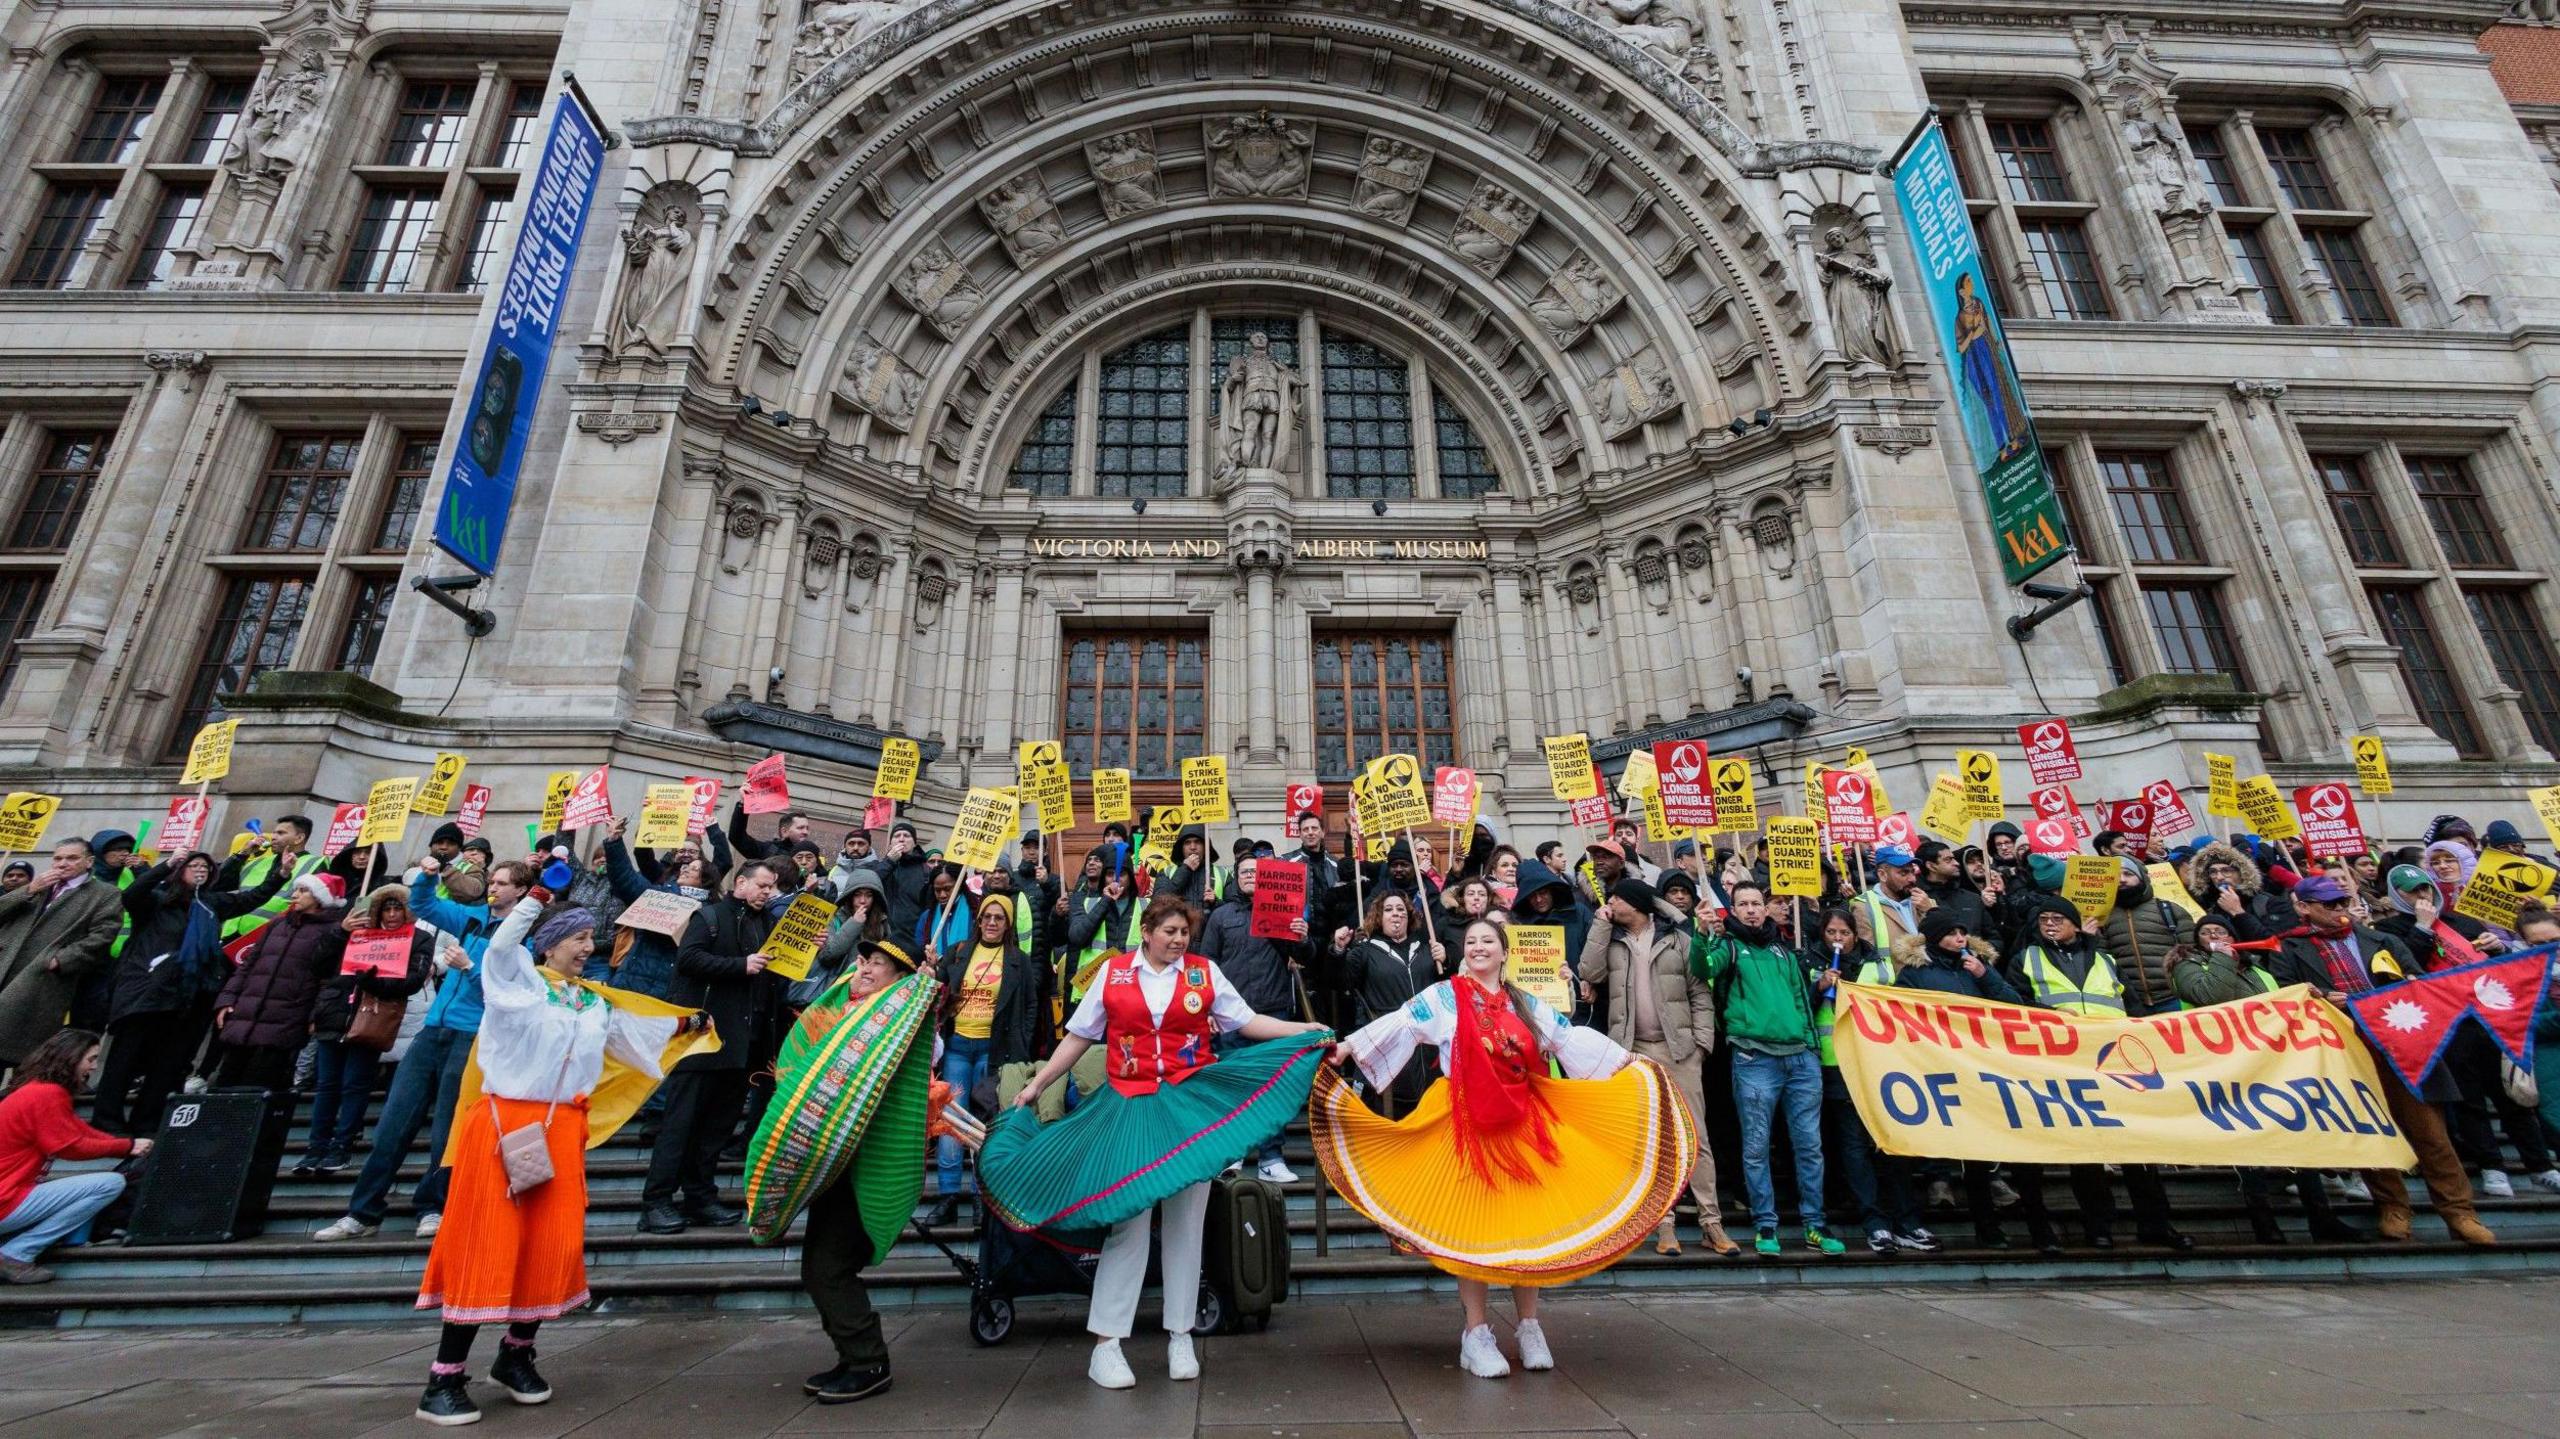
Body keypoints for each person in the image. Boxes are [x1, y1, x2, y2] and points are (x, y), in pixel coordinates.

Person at [1311, 915, 1691, 1380]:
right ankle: (1477, 1333)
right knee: (1478, 1231)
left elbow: (1565, 1039)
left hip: (1525, 1125)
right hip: (1467, 1124)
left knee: (1526, 1227)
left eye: (1488, 940)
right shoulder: (1445, 996)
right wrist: (1348, 1048)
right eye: (1470, 941)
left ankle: (1529, 1327)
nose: (1478, 947)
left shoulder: (1524, 1002)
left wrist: (1625, 1062)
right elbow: (1402, 1023)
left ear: (1504, 951)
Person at [985, 894, 1330, 1391]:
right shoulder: (1114, 973)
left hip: (1189, 1108)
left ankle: (1180, 1334)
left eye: (1184, 932)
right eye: (1169, 931)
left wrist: (1303, 1029)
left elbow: (1247, 1022)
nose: (1178, 940)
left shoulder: (1204, 973)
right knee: (1129, 1221)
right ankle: (1107, 1344)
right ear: (1146, 931)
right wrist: (1038, 1085)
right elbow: (1080, 1035)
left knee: (1188, 1223)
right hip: (1129, 1106)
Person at [412, 897, 704, 1425]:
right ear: (550, 944)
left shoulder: (591, 1002)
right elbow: (501, 951)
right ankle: (445, 1376)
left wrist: (686, 1026)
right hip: (505, 1129)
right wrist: (532, 903)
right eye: (579, 939)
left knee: (553, 1242)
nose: (589, 949)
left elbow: (633, 1035)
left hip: (563, 1130)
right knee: (488, 1241)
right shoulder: (521, 989)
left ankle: (516, 1352)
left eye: (591, 939)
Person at [2271, 874, 2494, 1246]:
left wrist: (2401, 987)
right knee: (2372, 1134)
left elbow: (2418, 981)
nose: (2340, 910)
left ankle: (2460, 1213)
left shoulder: (2383, 940)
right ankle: (2393, 1207)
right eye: (2330, 905)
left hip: (2402, 1047)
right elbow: (2285, 994)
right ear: (2303, 908)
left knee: (2432, 1136)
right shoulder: (2288, 949)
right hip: (2347, 1051)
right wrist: (2320, 997)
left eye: (2342, 902)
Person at [315, 859, 529, 1243]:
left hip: (473, 1035)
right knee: (392, 1124)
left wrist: (469, 967)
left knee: (448, 1131)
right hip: (432, 1030)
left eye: (502, 883)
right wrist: (430, 876)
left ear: (521, 891)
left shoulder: (523, 936)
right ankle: (362, 1212)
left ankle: (432, 1207)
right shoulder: (471, 916)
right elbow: (426, 906)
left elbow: (512, 995)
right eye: (492, 881)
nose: (493, 887)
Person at [770, 938, 939, 1405]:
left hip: (865, 1167)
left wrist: (920, 991)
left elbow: (918, 1037)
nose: (864, 969)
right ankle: (854, 1356)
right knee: (818, 1267)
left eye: (878, 965)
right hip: (831, 1164)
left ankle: (868, 1360)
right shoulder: (840, 1014)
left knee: (827, 1268)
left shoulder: (901, 1022)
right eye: (864, 960)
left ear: (899, 981)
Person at [2001, 895, 2189, 1252]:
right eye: (2044, 920)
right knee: (2086, 1154)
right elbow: (2015, 1006)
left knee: (2138, 1151)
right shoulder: (2026, 959)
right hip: (2063, 1067)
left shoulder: (2105, 959)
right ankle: (2098, 1226)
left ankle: (2156, 1224)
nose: (2051, 924)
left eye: (2058, 918)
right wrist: (2050, 1016)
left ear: (2076, 924)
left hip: (2118, 1066)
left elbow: (2130, 1005)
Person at [2165, 912, 2362, 1244]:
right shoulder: (2187, 965)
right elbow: (2211, 995)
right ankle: (2263, 1220)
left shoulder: (2258, 971)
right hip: (2223, 1063)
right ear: (2196, 940)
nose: (2214, 935)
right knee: (2247, 1141)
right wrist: (2221, 960)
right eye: (2207, 932)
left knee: (2298, 1136)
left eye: (2221, 931)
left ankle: (2321, 1216)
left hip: (2270, 1062)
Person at [1579, 876, 1737, 1256]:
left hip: (1679, 1049)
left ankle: (1711, 1222)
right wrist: (1601, 922)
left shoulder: (1678, 939)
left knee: (1695, 1136)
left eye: (1616, 898)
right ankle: (1664, 1224)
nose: (1610, 902)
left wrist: (1701, 1043)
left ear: (1634, 903)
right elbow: (1590, 972)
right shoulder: (1612, 940)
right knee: (1653, 1139)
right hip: (1633, 1051)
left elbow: (1700, 992)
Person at [1690, 881, 1844, 1257]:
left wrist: (1809, 1045)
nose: (1751, 910)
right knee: (1756, 1146)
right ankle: (1766, 1224)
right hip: (1754, 1057)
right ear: (1734, 910)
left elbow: (1799, 999)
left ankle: (1814, 1224)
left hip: (1799, 1058)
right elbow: (1702, 966)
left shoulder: (1785, 952)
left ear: (1766, 908)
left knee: (1809, 1146)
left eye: (1756, 903)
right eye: (1742, 904)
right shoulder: (1727, 947)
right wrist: (1701, 931)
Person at [92, 848, 286, 1134]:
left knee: (168, 1065)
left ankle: (147, 1122)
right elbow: (133, 893)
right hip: (146, 994)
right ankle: (107, 1121)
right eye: (193, 865)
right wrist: (164, 865)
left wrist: (279, 875)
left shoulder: (210, 904)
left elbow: (251, 898)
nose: (201, 870)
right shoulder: (157, 901)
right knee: (125, 1060)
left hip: (188, 998)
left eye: (206, 868)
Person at [642, 861, 783, 1235]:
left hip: (742, 1045)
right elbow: (688, 960)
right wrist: (740, 965)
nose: (768, 893)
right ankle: (656, 1201)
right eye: (763, 886)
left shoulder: (767, 924)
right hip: (704, 1041)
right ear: (741, 883)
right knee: (680, 1124)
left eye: (771, 888)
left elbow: (774, 974)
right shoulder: (709, 916)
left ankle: (699, 1197)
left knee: (715, 1130)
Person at [1891, 906, 2023, 1247]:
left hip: (1977, 1067)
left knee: (1979, 1150)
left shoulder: (1977, 967)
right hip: (1937, 1068)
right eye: (1952, 933)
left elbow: (2012, 1002)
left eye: (1963, 932)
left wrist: (1985, 975)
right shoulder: (1916, 973)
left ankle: (1988, 1227)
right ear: (1936, 938)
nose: (1960, 938)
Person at [1810, 907, 1933, 1254]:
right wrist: (1819, 988)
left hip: (1878, 1065)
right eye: (1831, 933)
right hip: (1837, 1065)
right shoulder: (1812, 962)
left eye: (1844, 933)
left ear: (1855, 934)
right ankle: (1875, 1222)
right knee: (1853, 1148)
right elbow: (1802, 1008)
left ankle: (1907, 1220)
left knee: (1890, 1144)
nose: (1838, 939)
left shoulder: (1876, 964)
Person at [927, 893, 1049, 1225]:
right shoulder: (959, 952)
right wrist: (931, 969)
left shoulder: (1019, 960)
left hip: (996, 1051)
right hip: (957, 1048)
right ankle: (948, 1196)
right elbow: (937, 992)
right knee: (952, 1122)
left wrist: (1020, 1048)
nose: (992, 923)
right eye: (986, 917)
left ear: (1008, 924)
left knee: (987, 1125)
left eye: (999, 918)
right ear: (978, 921)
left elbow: (1029, 1007)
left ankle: (984, 1197)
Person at [299, 886, 434, 1174]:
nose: (393, 914)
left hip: (373, 1017)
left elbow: (412, 981)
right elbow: (318, 964)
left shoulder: (419, 939)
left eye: (399, 909)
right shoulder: (355, 932)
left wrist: (372, 983)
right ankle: (315, 1147)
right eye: (387, 908)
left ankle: (342, 1145)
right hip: (335, 1014)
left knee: (355, 1085)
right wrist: (340, 931)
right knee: (327, 1086)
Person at [0, 1030, 148, 1284]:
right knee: (109, 1184)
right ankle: (17, 1254)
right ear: (72, 1058)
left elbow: (81, 1131)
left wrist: (129, 1144)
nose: (93, 1067)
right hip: (6, 1200)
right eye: (90, 1059)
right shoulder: (47, 1094)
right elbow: (68, 1146)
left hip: (9, 1195)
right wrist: (126, 1147)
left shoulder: (35, 1090)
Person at [1196, 855, 1308, 1182]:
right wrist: (1207, 1009)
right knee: (1232, 1088)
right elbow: (1206, 964)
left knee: (1273, 1088)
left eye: (1256, 873)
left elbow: (1304, 957)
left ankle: (1271, 1158)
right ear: (1235, 878)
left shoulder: (1283, 913)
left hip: (1273, 1011)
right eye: (1244, 872)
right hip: (1230, 1017)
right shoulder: (1220, 916)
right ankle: (1234, 1153)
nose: (1249, 876)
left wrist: (1301, 937)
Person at [210, 871, 349, 1092]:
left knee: (262, 1086)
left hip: (287, 1018)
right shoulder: (278, 924)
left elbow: (329, 979)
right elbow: (249, 964)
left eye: (303, 891)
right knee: (226, 1082)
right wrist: (228, 998)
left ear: (320, 898)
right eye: (297, 889)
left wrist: (316, 1015)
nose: (295, 895)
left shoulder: (334, 932)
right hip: (248, 1014)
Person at [0, 838, 127, 1072]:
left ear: (89, 862)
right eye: (58, 858)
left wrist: (62, 960)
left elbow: (102, 936)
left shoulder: (104, 894)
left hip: (43, 982)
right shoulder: (37, 886)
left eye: (72, 858)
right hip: (6, 968)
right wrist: (28, 890)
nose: (62, 863)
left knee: (24, 1057)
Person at [1332, 891, 1444, 1115]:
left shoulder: (1426, 950)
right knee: (1391, 1106)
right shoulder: (1365, 951)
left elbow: (1445, 988)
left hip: (1427, 1044)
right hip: (1387, 1039)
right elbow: (1339, 980)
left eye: (1401, 909)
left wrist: (1446, 960)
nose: (1396, 914)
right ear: (1379, 917)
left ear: (1409, 917)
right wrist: (1338, 951)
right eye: (1389, 910)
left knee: (1427, 1103)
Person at [1850, 845, 1926, 952]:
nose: (1912, 879)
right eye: (1903, 873)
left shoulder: (1923, 901)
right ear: (1882, 875)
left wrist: (1929, 910)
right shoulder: (1864, 907)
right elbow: (1867, 954)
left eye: (1912, 871)